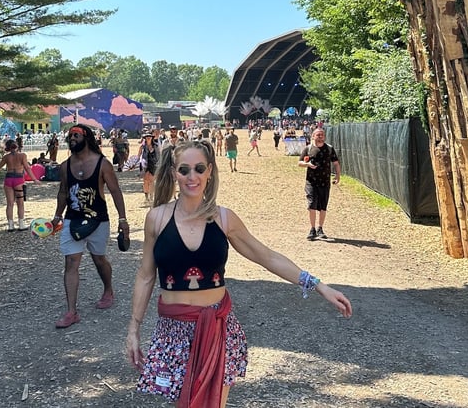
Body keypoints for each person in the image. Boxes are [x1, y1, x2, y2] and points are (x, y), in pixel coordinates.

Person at [125, 140, 352, 407]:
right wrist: (134, 329)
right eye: (184, 170)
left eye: (199, 169)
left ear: (210, 171)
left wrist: (318, 285)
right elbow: (146, 276)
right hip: (173, 333)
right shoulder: (157, 219)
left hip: (218, 330)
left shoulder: (224, 219)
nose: (192, 177)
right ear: (174, 172)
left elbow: (266, 256)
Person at [52, 124, 129, 328]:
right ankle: (71, 312)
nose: (72, 139)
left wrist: (123, 220)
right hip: (73, 219)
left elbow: (115, 191)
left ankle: (108, 290)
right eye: (70, 136)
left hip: (98, 220)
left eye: (76, 135)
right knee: (71, 262)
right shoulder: (65, 166)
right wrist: (57, 217)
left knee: (99, 259)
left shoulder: (103, 164)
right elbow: (63, 192)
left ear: (86, 138)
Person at [0, 139, 40, 231]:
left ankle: (10, 225)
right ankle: (21, 224)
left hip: (8, 180)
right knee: (20, 203)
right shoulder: (22, 156)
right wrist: (34, 179)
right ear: (17, 146)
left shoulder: (6, 157)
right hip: (19, 180)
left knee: (10, 204)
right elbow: (27, 168)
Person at [298, 128, 341, 241]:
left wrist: (337, 176)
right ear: (313, 136)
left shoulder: (329, 149)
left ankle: (320, 228)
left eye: (322, 135)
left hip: (325, 182)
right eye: (318, 135)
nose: (320, 136)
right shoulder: (308, 149)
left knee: (323, 206)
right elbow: (300, 162)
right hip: (311, 182)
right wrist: (307, 164)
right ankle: (312, 229)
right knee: (311, 204)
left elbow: (336, 163)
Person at [138, 133, 159, 204]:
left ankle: (151, 197)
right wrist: (134, 164)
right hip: (144, 165)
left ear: (152, 138)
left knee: (152, 181)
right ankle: (146, 197)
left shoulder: (156, 146)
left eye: (149, 136)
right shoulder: (142, 147)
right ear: (145, 138)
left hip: (153, 165)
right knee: (145, 181)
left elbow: (159, 156)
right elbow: (138, 156)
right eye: (147, 137)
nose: (148, 138)